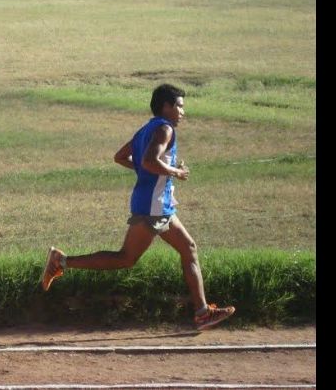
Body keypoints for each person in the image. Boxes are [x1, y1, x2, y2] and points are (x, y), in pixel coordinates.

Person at [41, 84, 236, 331]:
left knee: (188, 248)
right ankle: (61, 261)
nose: (182, 112)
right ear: (166, 106)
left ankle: (202, 312)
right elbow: (149, 160)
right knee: (125, 258)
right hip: (153, 207)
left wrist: (152, 171)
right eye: (179, 106)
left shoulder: (145, 129)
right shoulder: (165, 129)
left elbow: (121, 157)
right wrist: (175, 171)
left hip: (158, 205)